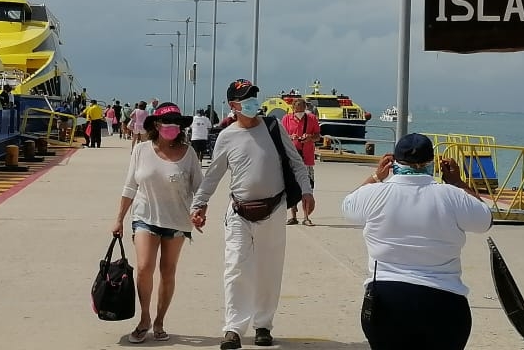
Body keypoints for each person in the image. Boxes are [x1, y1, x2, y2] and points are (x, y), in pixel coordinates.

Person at [189, 79, 314, 349]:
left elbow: (296, 161)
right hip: (239, 212)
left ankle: (263, 325)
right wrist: (199, 204)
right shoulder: (226, 136)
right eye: (246, 99)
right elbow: (213, 176)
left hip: (275, 209)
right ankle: (233, 328)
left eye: (254, 97)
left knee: (269, 270)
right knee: (235, 268)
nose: (252, 103)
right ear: (233, 106)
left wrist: (306, 192)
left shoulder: (273, 127)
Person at [342, 133, 492, 350]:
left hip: (385, 300)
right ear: (433, 163)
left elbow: (347, 207)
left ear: (393, 162)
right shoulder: (452, 195)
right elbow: (485, 219)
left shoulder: (373, 194)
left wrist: (375, 177)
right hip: (444, 301)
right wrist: (458, 183)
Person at [111, 103, 202, 344]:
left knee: (168, 271)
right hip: (145, 217)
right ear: (156, 125)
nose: (171, 126)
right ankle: (144, 318)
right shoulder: (141, 150)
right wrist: (119, 218)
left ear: (181, 127)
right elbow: (130, 186)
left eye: (176, 122)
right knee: (143, 268)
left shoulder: (189, 153)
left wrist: (199, 211)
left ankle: (160, 321)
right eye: (166, 122)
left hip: (177, 221)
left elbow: (199, 188)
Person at [282, 98, 320, 226]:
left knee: (308, 187)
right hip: (291, 157)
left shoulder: (312, 119)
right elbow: (281, 137)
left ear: (305, 108)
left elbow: (318, 136)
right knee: (292, 185)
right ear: (293, 108)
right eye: (296, 110)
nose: (299, 112)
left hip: (307, 158)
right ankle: (293, 216)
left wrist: (309, 137)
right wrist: (290, 137)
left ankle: (306, 216)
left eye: (301, 110)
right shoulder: (286, 119)